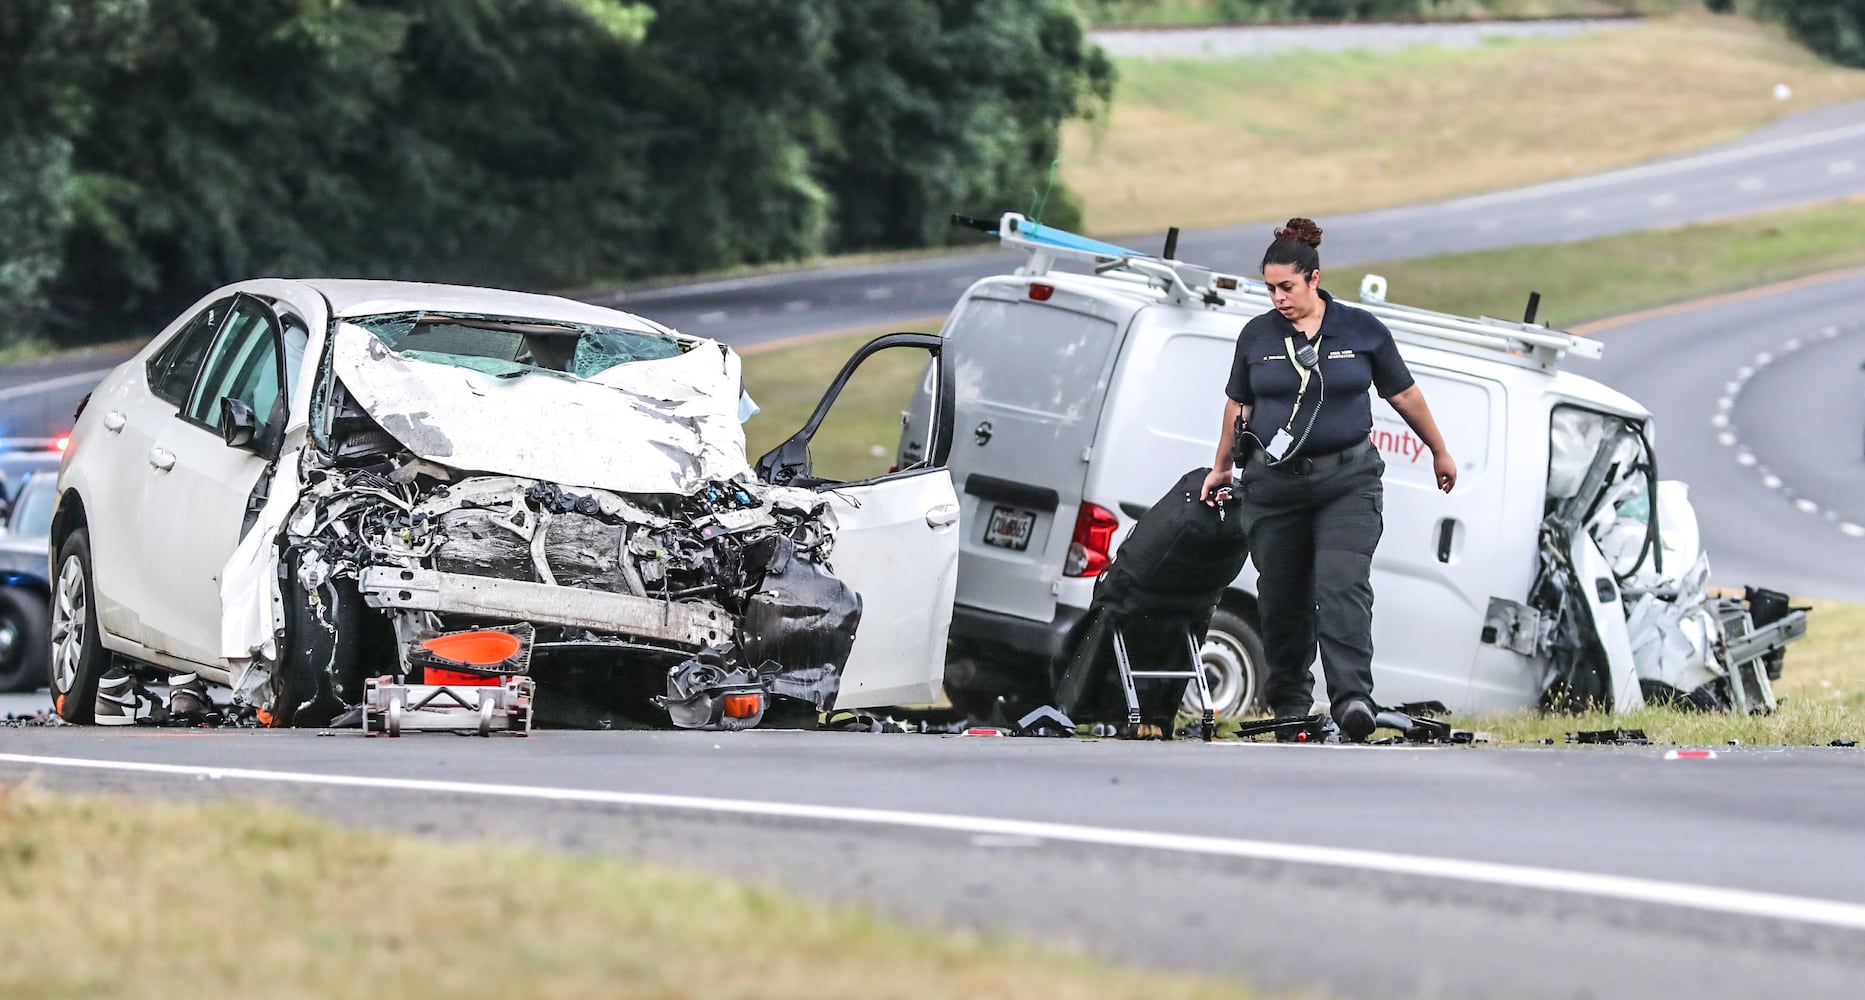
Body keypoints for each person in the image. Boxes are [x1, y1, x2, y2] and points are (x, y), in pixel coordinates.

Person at [1198, 218, 1455, 742]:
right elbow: (1238, 404)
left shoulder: (1361, 331)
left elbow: (1403, 395)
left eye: (1286, 287)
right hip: (1275, 486)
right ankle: (1291, 703)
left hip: (1348, 481)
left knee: (1342, 586)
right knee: (1283, 597)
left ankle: (1353, 699)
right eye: (1269, 288)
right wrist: (1222, 466)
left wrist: (1439, 449)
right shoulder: (1257, 336)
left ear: (1314, 279)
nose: (1277, 298)